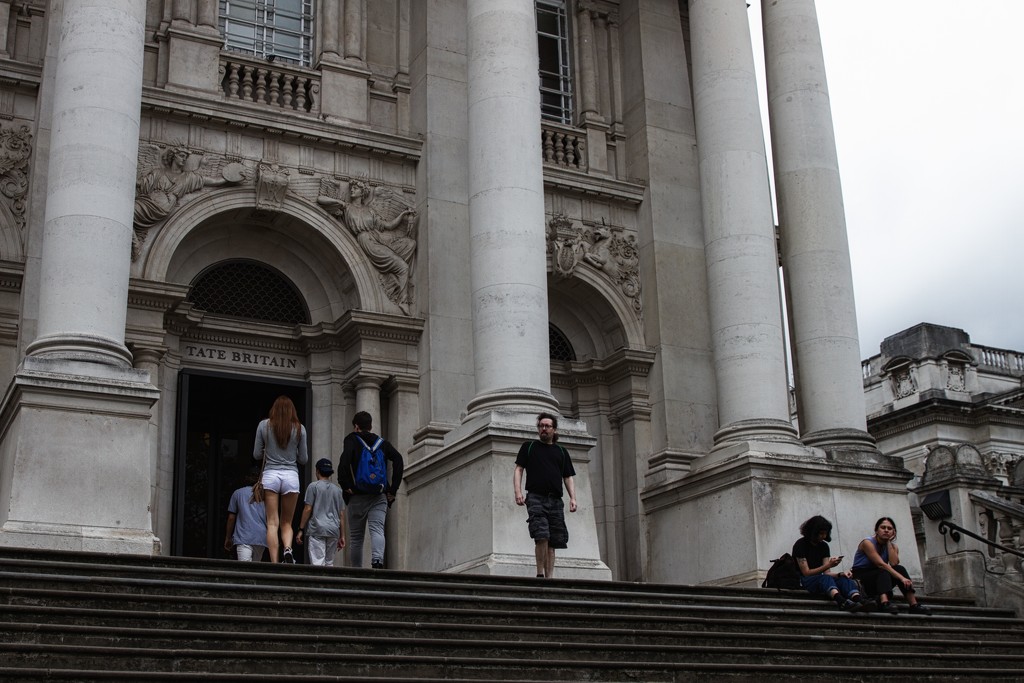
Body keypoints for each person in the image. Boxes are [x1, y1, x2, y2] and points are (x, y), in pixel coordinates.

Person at [513, 412, 577, 579]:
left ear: (554, 429)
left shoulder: (562, 452)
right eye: (541, 426)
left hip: (555, 500)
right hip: (535, 497)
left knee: (553, 541)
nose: (544, 429)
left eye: (547, 426)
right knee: (541, 535)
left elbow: (568, 477)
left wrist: (573, 498)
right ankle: (540, 574)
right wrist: (518, 492)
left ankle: (550, 577)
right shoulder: (529, 447)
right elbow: (519, 469)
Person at [338, 411, 404, 568]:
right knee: (377, 530)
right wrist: (393, 489)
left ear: (356, 426)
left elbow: (344, 462)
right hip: (379, 495)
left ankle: (357, 571)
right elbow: (398, 459)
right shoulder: (382, 443)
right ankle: (377, 562)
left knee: (356, 537)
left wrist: (345, 485)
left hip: (357, 496)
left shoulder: (351, 439)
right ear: (371, 425)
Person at [254, 395, 308, 563]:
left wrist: (269, 451)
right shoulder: (300, 428)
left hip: (271, 475)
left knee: (272, 523)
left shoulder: (264, 425)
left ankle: (274, 562)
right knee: (287, 522)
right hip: (291, 476)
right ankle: (287, 549)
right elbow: (304, 459)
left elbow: (256, 454)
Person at [852, 516, 932, 615]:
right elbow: (880, 564)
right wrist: (902, 578)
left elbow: (894, 563)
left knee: (900, 569)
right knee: (883, 570)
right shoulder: (867, 543)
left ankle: (913, 605)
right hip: (862, 578)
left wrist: (888, 542)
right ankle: (884, 602)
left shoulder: (893, 547)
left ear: (893, 532)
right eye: (883, 528)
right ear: (876, 530)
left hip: (879, 577)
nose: (886, 530)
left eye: (889, 529)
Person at [792, 515, 871, 612]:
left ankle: (858, 600)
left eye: (825, 533)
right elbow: (806, 572)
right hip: (804, 580)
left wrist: (841, 574)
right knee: (825, 579)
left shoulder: (824, 546)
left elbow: (827, 572)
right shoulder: (800, 545)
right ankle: (841, 601)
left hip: (820, 579)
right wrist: (828, 565)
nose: (823, 536)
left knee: (844, 580)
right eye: (821, 534)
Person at [296, 458, 347, 567]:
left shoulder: (313, 487)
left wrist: (301, 529)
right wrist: (342, 535)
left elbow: (308, 509)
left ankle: (319, 583)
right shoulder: (338, 491)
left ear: (317, 471)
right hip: (333, 530)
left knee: (317, 563)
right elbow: (341, 514)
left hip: (317, 529)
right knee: (329, 563)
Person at [223, 470, 268, 562]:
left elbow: (231, 518)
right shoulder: (265, 495)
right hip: (261, 537)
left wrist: (228, 537)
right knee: (255, 569)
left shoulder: (238, 493)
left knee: (245, 569)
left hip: (243, 536)